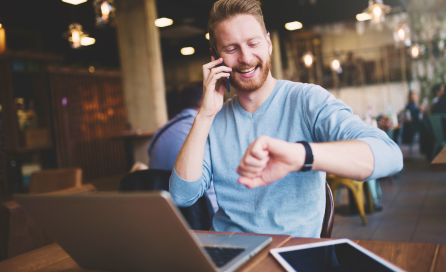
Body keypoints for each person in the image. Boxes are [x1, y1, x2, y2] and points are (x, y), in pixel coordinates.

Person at [170, 0, 403, 238]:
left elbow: (389, 155)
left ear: (268, 44)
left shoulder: (307, 100)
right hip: (231, 253)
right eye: (231, 49)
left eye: (253, 43)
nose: (246, 57)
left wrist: (300, 156)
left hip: (293, 254)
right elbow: (182, 195)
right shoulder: (213, 119)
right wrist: (204, 114)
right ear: (215, 57)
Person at [148, 82, 218, 212]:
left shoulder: (162, 130)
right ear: (205, 99)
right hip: (202, 216)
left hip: (162, 212)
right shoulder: (206, 129)